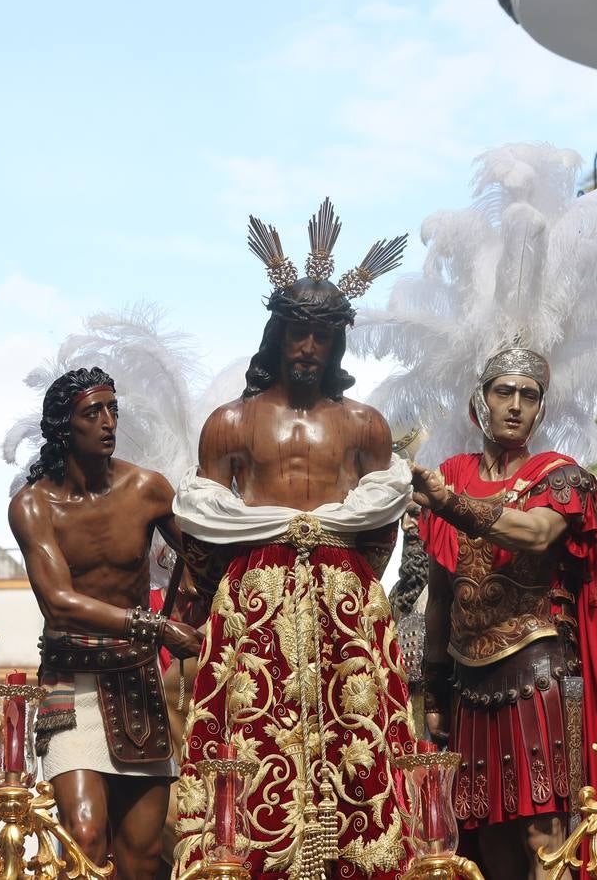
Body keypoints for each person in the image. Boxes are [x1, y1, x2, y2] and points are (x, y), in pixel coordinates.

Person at [172, 202, 415, 879]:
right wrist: (251, 582)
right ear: (277, 336)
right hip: (255, 597)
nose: (309, 350)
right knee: (250, 743)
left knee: (358, 742)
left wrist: (344, 582)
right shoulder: (231, 423)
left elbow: (378, 529)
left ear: (339, 343)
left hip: (346, 599)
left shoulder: (365, 425)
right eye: (298, 335)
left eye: (323, 337)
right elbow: (203, 527)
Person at [414, 346, 597, 880]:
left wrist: (450, 504)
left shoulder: (560, 476)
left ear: (542, 408)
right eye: (503, 391)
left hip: (537, 676)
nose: (515, 406)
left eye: (529, 396)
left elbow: (534, 533)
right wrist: (435, 688)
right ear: (478, 400)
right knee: (485, 841)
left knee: (542, 836)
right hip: (468, 685)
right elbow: (440, 593)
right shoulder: (451, 475)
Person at [8, 367, 202, 880]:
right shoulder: (32, 506)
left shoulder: (148, 489)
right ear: (63, 427)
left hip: (136, 683)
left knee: (141, 859)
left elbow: (206, 565)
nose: (109, 422)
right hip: (69, 681)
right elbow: (60, 602)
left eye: (113, 409)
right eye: (93, 412)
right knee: (86, 840)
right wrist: (157, 628)